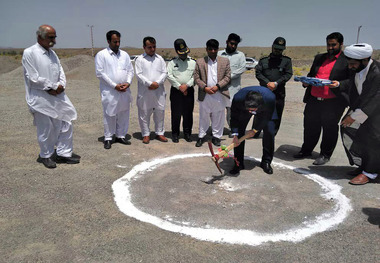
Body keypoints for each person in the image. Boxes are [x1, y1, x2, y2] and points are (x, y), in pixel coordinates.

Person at [22, 25, 80, 168]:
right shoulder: (29, 53)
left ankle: (63, 153)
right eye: (51, 37)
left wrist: (61, 85)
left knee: (66, 121)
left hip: (57, 95)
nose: (54, 40)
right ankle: (45, 155)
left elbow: (61, 71)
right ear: (40, 37)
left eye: (55, 37)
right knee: (46, 127)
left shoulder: (52, 54)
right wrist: (51, 86)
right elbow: (32, 78)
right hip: (40, 97)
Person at [294, 32, 349, 165]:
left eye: (333, 45)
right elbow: (312, 74)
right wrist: (305, 81)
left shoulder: (347, 60)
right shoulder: (319, 57)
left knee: (329, 128)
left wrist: (339, 84)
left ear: (341, 44)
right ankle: (306, 150)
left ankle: (325, 154)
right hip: (314, 99)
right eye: (328, 45)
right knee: (310, 126)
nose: (330, 48)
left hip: (333, 101)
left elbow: (352, 80)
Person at [330, 43, 380, 185]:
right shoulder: (359, 68)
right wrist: (338, 84)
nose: (350, 66)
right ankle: (364, 166)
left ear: (365, 60)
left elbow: (376, 98)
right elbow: (355, 84)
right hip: (365, 109)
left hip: (376, 113)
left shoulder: (377, 73)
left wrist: (354, 117)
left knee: (374, 140)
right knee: (362, 137)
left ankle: (371, 173)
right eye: (349, 63)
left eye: (353, 64)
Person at [253, 37, 293, 168]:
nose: (277, 51)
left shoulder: (286, 61)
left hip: (278, 95)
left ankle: (271, 136)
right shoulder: (264, 61)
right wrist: (267, 83)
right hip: (264, 94)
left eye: (280, 50)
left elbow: (288, 74)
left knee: (275, 119)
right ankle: (256, 131)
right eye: (276, 48)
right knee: (260, 115)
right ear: (272, 47)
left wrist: (276, 83)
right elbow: (258, 73)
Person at [95, 30, 134, 149]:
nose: (117, 44)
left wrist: (127, 83)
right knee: (109, 114)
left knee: (123, 113)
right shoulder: (101, 55)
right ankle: (108, 137)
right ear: (108, 41)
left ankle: (120, 135)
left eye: (119, 41)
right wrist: (114, 85)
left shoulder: (125, 55)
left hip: (124, 89)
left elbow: (130, 70)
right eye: (114, 41)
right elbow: (100, 73)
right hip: (110, 91)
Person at [229, 86, 276, 174]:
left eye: (253, 110)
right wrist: (235, 134)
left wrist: (255, 130)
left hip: (265, 111)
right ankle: (238, 163)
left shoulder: (269, 98)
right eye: (249, 110)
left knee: (270, 131)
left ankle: (266, 161)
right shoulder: (238, 99)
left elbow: (266, 117)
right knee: (239, 132)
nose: (251, 112)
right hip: (243, 110)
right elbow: (234, 117)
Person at [194, 39, 231, 147]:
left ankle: (216, 137)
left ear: (218, 49)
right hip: (205, 94)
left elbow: (228, 76)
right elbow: (196, 77)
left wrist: (218, 86)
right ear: (207, 49)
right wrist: (204, 88)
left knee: (218, 115)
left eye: (215, 49)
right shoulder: (200, 62)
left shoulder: (225, 61)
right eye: (210, 49)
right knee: (203, 115)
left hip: (219, 93)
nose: (213, 51)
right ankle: (201, 136)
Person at [135, 36, 168, 144]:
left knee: (160, 112)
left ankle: (159, 133)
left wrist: (157, 83)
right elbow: (138, 75)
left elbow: (164, 72)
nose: (152, 49)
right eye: (149, 47)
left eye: (154, 47)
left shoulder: (160, 59)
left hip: (159, 91)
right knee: (144, 113)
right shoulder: (140, 60)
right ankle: (146, 134)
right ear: (144, 47)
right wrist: (149, 83)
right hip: (145, 91)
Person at [167, 39, 196, 143]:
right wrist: (179, 86)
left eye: (185, 52)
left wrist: (187, 86)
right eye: (181, 53)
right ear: (176, 51)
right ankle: (175, 134)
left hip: (189, 91)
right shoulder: (172, 62)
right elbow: (169, 75)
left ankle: (187, 134)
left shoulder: (193, 62)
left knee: (188, 113)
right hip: (176, 91)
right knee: (176, 113)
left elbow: (195, 76)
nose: (184, 55)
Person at [218, 33, 246, 137]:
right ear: (227, 42)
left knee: (232, 111)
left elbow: (241, 69)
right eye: (231, 43)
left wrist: (227, 78)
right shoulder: (219, 54)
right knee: (218, 110)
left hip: (233, 89)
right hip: (220, 89)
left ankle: (233, 129)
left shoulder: (240, 55)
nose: (233, 46)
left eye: (235, 44)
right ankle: (217, 130)